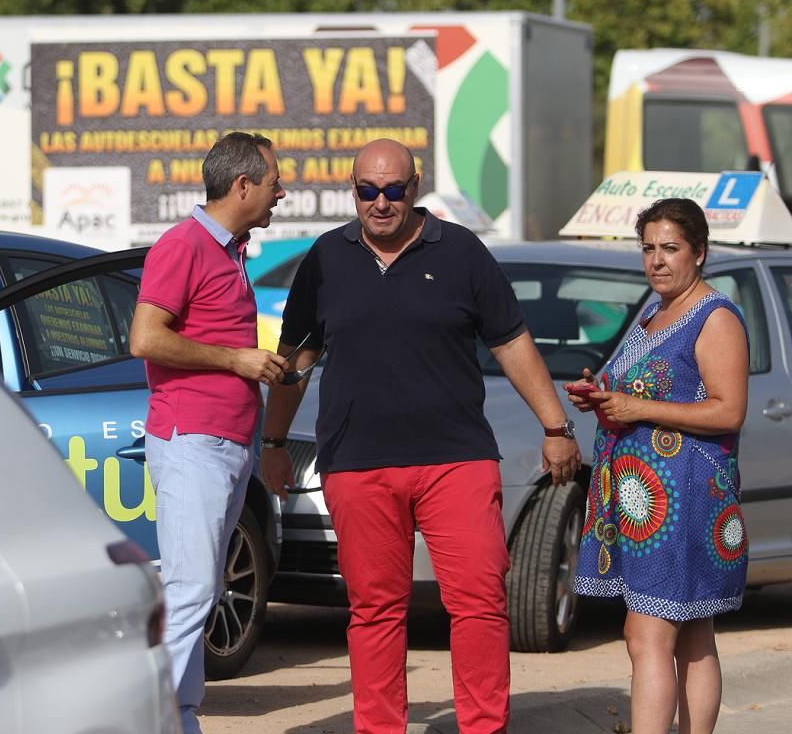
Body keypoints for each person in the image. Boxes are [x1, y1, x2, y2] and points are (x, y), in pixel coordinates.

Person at [259, 138, 581, 734]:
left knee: (480, 604)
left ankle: (484, 726)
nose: (380, 203)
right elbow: (296, 357)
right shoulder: (326, 259)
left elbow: (512, 342)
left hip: (455, 461)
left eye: (394, 190)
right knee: (374, 612)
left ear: (415, 185)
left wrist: (555, 425)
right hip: (358, 463)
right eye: (367, 191)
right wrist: (274, 443)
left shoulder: (460, 251)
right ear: (352, 189)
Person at [129, 131, 289, 734]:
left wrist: (262, 364)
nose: (283, 191)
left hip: (223, 443)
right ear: (243, 184)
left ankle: (182, 716)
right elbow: (146, 338)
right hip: (193, 441)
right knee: (192, 590)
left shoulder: (231, 249)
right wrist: (236, 360)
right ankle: (153, 719)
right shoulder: (184, 245)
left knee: (204, 590)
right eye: (275, 182)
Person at [570, 198, 749, 734]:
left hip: (684, 501)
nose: (657, 260)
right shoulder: (654, 311)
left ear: (700, 252)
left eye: (670, 248)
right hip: (647, 502)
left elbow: (728, 408)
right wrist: (602, 396)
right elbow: (648, 390)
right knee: (691, 637)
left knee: (645, 635)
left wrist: (637, 407)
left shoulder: (714, 316)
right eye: (648, 248)